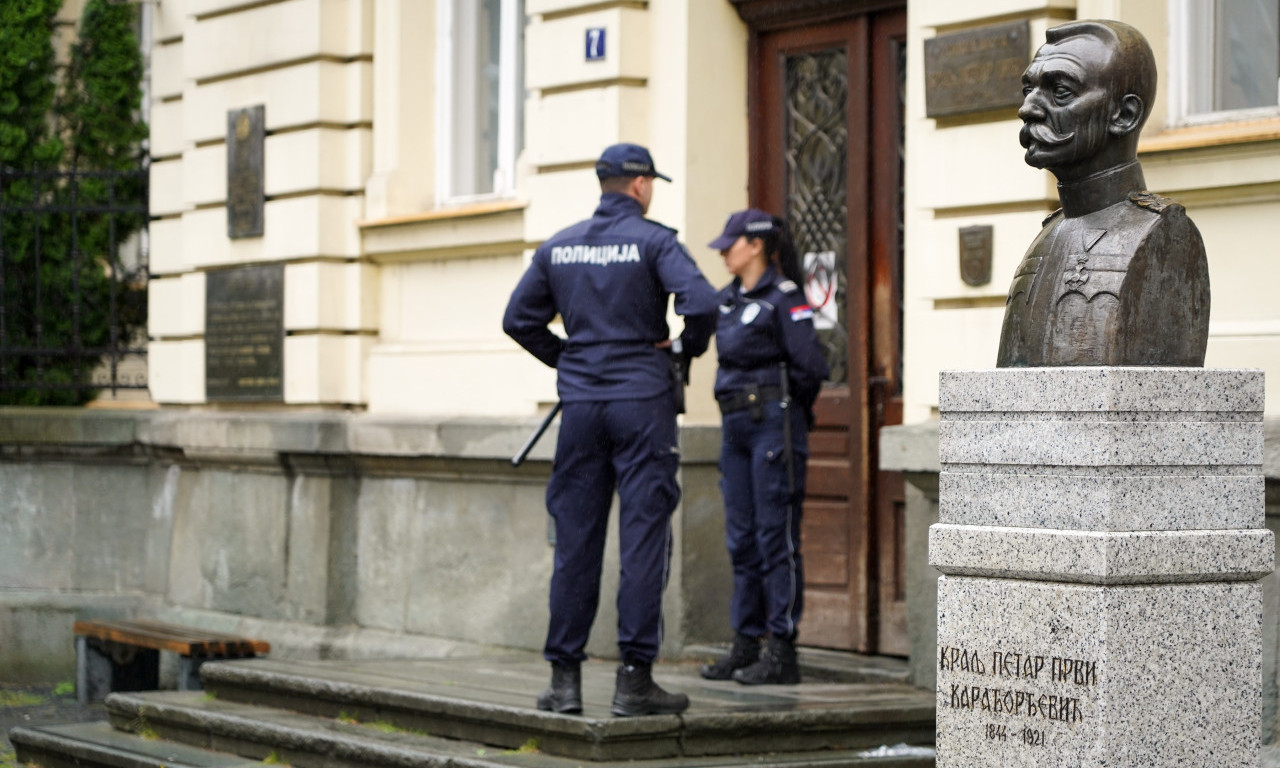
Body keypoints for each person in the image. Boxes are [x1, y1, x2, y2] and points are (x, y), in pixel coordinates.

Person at [502, 143, 719, 716]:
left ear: (604, 185)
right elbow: (701, 301)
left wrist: (569, 360)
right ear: (641, 185)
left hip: (581, 408)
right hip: (642, 402)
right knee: (643, 536)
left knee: (574, 541)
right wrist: (682, 351)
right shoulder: (654, 240)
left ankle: (565, 683)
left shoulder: (559, 245)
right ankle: (633, 682)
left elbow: (517, 319)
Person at [997, 20, 1209, 367]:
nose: (1028, 109)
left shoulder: (1163, 235)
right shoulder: (1047, 235)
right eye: (1028, 90)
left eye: (1060, 91)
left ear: (1123, 115)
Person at [699, 208, 828, 685]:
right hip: (735, 427)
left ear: (755, 245)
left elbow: (810, 368)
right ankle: (744, 642)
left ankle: (780, 650)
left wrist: (789, 415)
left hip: (774, 425)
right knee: (742, 538)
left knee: (776, 537)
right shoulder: (727, 300)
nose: (722, 251)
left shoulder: (784, 299)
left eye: (729, 243)